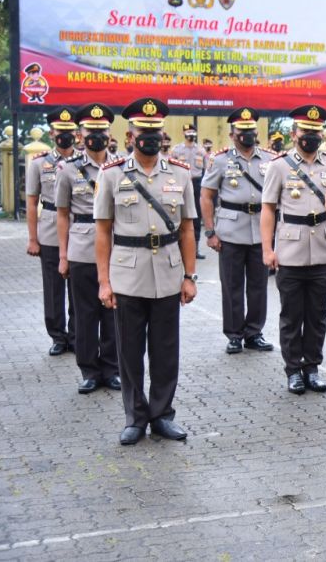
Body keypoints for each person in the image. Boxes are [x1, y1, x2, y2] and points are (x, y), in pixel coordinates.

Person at [94, 97, 197, 445]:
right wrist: (104, 282)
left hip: (168, 274)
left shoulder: (180, 174)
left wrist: (189, 276)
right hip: (128, 275)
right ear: (130, 134)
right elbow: (103, 231)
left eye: (155, 130)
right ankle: (135, 417)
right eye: (143, 130)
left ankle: (162, 415)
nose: (150, 136)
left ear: (162, 134)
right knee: (129, 351)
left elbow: (186, 229)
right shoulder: (111, 175)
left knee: (166, 351)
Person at [260, 105, 326, 395]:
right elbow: (268, 210)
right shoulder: (279, 166)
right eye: (306, 132)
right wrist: (267, 249)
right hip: (290, 250)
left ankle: (312, 367)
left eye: (315, 133)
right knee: (292, 314)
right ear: (295, 135)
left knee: (318, 314)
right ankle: (293, 369)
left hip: (322, 250)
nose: (311, 137)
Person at [55, 103, 121, 393]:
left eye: (101, 130)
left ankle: (111, 368)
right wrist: (62, 255)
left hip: (117, 246)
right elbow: (61, 213)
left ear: (109, 133)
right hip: (82, 247)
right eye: (91, 131)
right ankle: (89, 371)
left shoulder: (120, 166)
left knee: (112, 310)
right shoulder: (68, 170)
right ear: (81, 135)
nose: (96, 135)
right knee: (85, 312)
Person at [200, 107, 274, 356]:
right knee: (231, 285)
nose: (247, 135)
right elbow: (207, 196)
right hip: (230, 230)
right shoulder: (220, 160)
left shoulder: (269, 159)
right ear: (232, 135)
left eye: (251, 130)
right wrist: (210, 231)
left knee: (258, 285)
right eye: (242, 131)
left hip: (261, 231)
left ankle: (254, 332)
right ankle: (234, 334)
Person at [26, 106, 77, 356]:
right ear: (52, 133)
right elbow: (32, 201)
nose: (64, 135)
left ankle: (77, 335)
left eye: (69, 130)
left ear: (76, 133)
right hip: (49, 229)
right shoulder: (39, 164)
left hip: (78, 230)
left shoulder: (83, 162)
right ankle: (58, 336)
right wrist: (33, 239)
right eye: (60, 130)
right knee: (53, 287)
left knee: (78, 287)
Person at [171, 123, 207, 258]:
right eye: (188, 132)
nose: (190, 134)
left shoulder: (201, 151)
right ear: (184, 134)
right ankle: (179, 246)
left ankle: (195, 248)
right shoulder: (176, 150)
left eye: (192, 132)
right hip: (180, 184)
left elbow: (206, 170)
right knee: (179, 214)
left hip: (196, 183)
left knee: (195, 215)